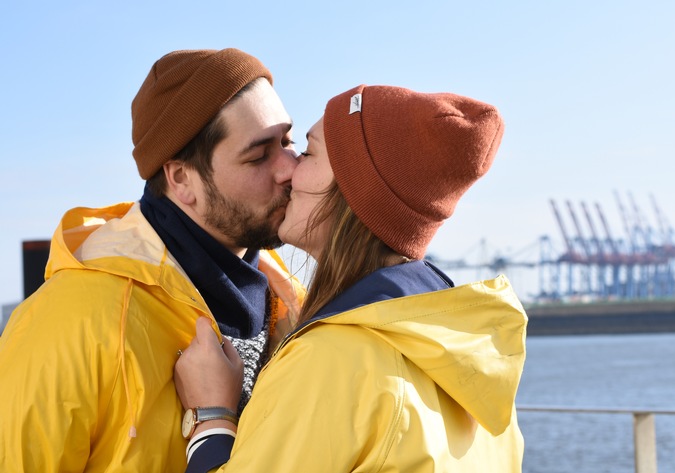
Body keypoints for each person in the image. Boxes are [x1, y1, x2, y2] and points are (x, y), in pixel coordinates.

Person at [175, 84, 528, 472]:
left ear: (351, 191)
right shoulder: (475, 373)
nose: (289, 170)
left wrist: (211, 419)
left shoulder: (331, 361)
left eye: (307, 152)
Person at [0, 48, 304, 471]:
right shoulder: (73, 320)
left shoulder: (295, 305)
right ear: (181, 179)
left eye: (288, 141)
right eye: (258, 155)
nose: (289, 168)